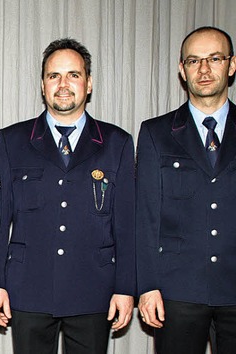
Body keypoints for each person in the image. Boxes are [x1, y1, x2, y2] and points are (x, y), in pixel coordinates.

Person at [0, 38, 136, 354]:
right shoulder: (12, 141)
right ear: (43, 85)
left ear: (88, 83)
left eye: (73, 75)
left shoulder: (116, 143)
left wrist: (125, 288)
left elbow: (126, 224)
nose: (63, 84)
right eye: (54, 76)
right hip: (28, 288)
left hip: (93, 289)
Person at [136, 26, 236, 354]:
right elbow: (146, 216)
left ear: (232, 65)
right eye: (194, 61)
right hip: (177, 291)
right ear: (182, 70)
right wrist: (147, 286)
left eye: (214, 58)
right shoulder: (156, 133)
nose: (204, 69)